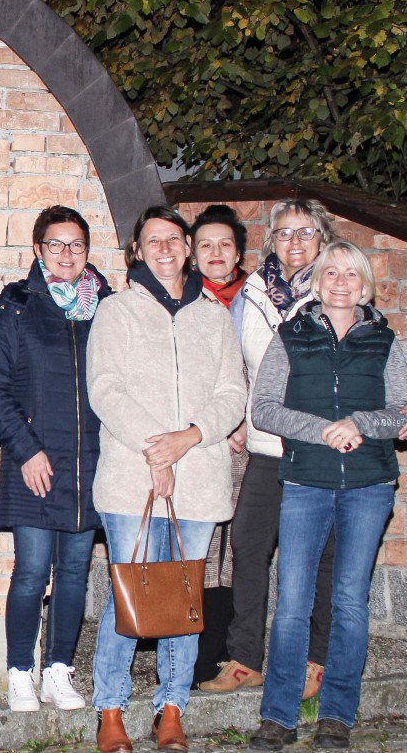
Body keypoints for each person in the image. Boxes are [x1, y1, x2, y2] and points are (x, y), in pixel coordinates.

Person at [202, 200, 407, 697]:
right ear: (272, 242)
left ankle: (317, 660)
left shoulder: (339, 288)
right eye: (285, 233)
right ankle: (245, 658)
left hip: (329, 453)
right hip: (268, 445)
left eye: (306, 232)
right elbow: (230, 362)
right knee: (248, 545)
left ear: (322, 239)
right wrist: (232, 418)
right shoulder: (251, 294)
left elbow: (392, 366)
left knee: (327, 557)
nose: (295, 242)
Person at [86, 206, 247, 753]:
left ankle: (171, 709)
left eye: (173, 238)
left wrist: (189, 438)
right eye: (152, 240)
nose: (164, 248)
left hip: (197, 476)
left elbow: (233, 393)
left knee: (183, 598)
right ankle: (110, 709)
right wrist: (157, 449)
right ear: (137, 250)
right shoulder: (116, 310)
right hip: (130, 476)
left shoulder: (214, 317)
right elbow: (105, 388)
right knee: (128, 594)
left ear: (187, 247)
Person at [246, 242, 407, 751]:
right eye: (331, 273)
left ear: (365, 285)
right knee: (292, 601)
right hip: (305, 482)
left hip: (369, 484)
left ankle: (337, 715)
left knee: (350, 602)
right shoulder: (289, 336)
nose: (341, 282)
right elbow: (263, 408)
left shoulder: (385, 340)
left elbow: (401, 410)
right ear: (318, 283)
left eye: (351, 274)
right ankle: (278, 716)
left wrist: (358, 424)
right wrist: (321, 431)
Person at [0, 205, 112, 713]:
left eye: (77, 245)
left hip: (88, 462)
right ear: (38, 249)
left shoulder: (107, 306)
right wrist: (26, 449)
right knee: (31, 572)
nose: (66, 254)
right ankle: (20, 672)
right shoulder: (16, 303)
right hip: (34, 460)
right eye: (55, 244)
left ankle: (59, 670)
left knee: (75, 571)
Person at [187, 206, 250, 686]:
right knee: (197, 546)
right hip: (194, 437)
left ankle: (223, 651)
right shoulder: (182, 298)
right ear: (192, 252)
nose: (215, 252)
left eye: (225, 244)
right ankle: (187, 651)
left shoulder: (256, 301)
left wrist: (244, 421)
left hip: (248, 439)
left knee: (233, 547)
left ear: (238, 253)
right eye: (205, 244)